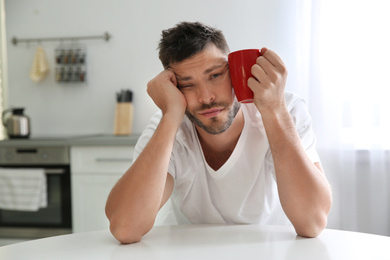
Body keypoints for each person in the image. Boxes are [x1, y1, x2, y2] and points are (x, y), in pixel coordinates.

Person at [105, 21, 332, 244]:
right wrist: (170, 115)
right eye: (187, 84)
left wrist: (275, 112)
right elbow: (125, 227)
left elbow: (312, 222)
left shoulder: (285, 110)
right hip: (191, 251)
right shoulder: (167, 126)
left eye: (215, 75)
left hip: (270, 249)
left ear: (233, 70)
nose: (206, 97)